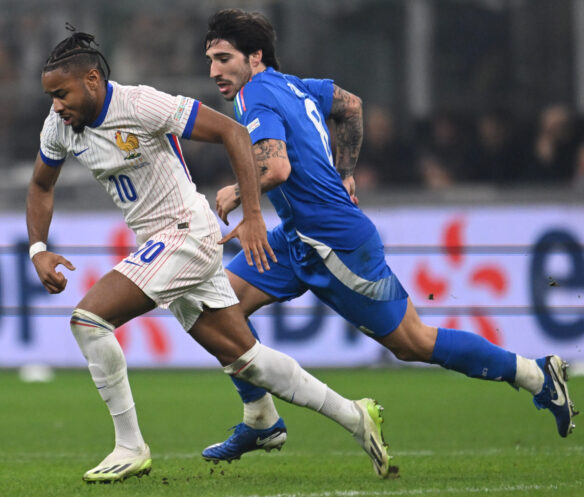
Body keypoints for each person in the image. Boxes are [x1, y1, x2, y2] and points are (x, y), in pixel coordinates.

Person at [201, 7, 578, 466]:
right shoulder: (294, 84)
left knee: (412, 342)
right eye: (211, 60)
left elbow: (276, 167)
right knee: (217, 306)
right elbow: (350, 105)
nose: (215, 70)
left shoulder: (255, 95)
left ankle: (536, 376)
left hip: (334, 243)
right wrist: (345, 173)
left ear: (254, 57)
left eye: (224, 58)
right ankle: (261, 421)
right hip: (297, 236)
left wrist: (238, 189)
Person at [27, 27, 396, 483]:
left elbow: (233, 133)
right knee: (249, 360)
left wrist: (254, 215)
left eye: (61, 94)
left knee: (88, 320)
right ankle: (354, 416)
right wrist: (38, 248)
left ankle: (130, 445)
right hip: (159, 242)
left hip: (186, 232)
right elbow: (41, 184)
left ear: (91, 81)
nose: (56, 105)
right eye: (51, 97)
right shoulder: (60, 126)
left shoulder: (140, 105)